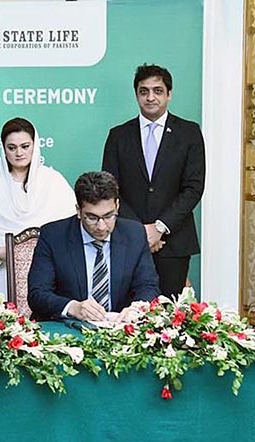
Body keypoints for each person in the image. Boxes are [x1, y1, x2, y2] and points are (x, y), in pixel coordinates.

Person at [102, 63, 205, 298]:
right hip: (128, 240)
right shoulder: (118, 135)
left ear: (169, 94)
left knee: (168, 318)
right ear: (136, 94)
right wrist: (141, 232)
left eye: (157, 91)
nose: (150, 97)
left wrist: (159, 228)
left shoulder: (189, 133)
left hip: (174, 241)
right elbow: (110, 188)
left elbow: (193, 187)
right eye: (143, 91)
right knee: (127, 317)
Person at [27, 171, 160, 322]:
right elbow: (37, 294)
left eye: (109, 216)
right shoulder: (53, 236)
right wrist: (72, 307)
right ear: (78, 211)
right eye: (92, 218)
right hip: (69, 328)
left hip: (119, 328)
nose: (101, 226)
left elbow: (148, 285)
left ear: (117, 206)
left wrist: (137, 308)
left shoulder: (134, 234)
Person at [0, 117, 76, 306]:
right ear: (3, 149)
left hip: (50, 274)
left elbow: (71, 230)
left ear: (35, 146)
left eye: (25, 146)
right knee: (1, 329)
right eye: (12, 148)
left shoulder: (54, 182)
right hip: (2, 274)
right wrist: (0, 251)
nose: (19, 153)